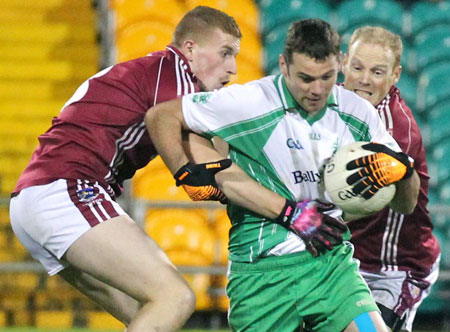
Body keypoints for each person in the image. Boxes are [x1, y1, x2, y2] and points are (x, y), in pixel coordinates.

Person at [146, 18, 421, 331]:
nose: (317, 90)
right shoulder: (249, 103)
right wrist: (184, 169)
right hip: (262, 274)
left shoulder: (358, 112)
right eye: (305, 78)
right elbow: (161, 116)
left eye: (327, 77)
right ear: (284, 66)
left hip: (330, 267)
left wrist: (403, 170)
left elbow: (405, 204)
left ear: (340, 64)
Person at [8, 6, 241, 332]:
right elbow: (206, 174)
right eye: (225, 53)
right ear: (190, 49)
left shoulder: (149, 70)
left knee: (148, 315)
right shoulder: (175, 78)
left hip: (33, 198)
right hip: (68, 191)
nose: (233, 69)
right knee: (175, 297)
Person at [342, 26, 441, 332]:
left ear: (396, 75)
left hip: (392, 270)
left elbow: (366, 203)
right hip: (345, 262)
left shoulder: (394, 131)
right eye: (357, 67)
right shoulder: (327, 105)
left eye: (377, 71)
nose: (364, 79)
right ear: (343, 62)